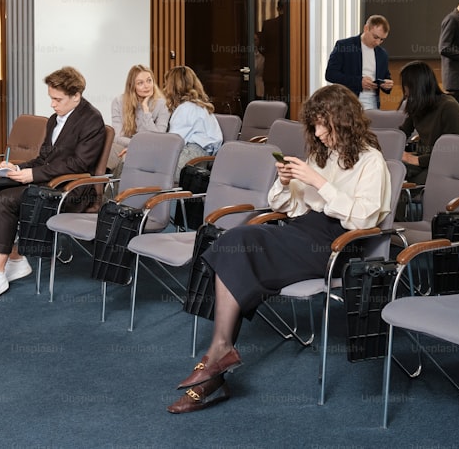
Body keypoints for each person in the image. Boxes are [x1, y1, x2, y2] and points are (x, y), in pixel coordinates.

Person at [167, 84, 392, 413]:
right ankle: (221, 349)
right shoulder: (321, 154)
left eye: (322, 125)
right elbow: (289, 207)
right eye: (313, 124)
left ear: (342, 121)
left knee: (241, 243)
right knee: (234, 240)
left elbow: (363, 220)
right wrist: (286, 182)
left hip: (340, 245)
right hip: (304, 230)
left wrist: (318, 182)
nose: (317, 132)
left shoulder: (372, 162)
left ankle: (216, 361)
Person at [0, 66, 107, 303]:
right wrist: (18, 168)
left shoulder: (92, 120)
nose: (52, 104)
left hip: (70, 190)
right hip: (47, 180)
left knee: (6, 199)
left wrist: (34, 174)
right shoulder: (55, 119)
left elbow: (79, 163)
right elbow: (44, 158)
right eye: (51, 98)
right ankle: (17, 259)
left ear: (76, 96)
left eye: (57, 99)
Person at [397, 61, 459, 183]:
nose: (405, 92)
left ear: (416, 86)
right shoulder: (417, 103)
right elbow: (402, 133)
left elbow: (453, 151)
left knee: (397, 179)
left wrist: (414, 159)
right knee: (388, 171)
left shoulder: (449, 107)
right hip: (423, 161)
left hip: (441, 164)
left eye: (406, 86)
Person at [163, 66, 224, 180]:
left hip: (193, 154)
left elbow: (173, 143)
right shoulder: (199, 105)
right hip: (206, 154)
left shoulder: (185, 108)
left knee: (161, 174)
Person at [109, 64, 169, 173]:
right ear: (132, 86)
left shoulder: (162, 104)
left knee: (128, 158)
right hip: (126, 145)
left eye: (149, 81)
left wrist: (145, 110)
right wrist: (135, 145)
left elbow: (159, 138)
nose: (146, 86)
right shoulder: (119, 101)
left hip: (151, 149)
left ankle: (123, 189)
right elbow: (117, 137)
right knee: (109, 152)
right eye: (140, 83)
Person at [324, 14, 393, 110]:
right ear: (366, 29)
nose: (378, 42)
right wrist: (358, 81)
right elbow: (330, 74)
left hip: (372, 107)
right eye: (375, 37)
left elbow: (385, 77)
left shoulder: (382, 54)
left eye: (382, 39)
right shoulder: (344, 46)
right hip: (347, 105)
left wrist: (387, 85)